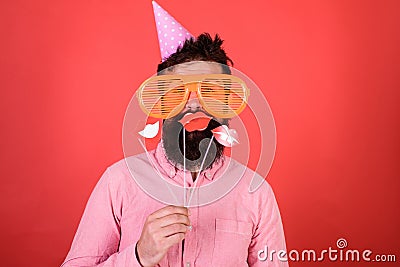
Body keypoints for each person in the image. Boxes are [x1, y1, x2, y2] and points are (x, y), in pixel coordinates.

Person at [61, 33, 288, 267]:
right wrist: (139, 256)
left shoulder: (256, 193)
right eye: (177, 93)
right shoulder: (118, 181)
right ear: (160, 103)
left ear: (228, 105)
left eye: (210, 92)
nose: (194, 104)